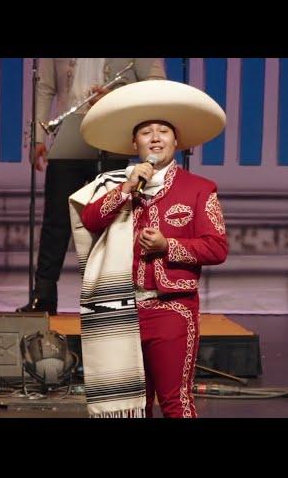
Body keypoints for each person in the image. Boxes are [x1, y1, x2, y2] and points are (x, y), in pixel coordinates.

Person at [69, 80, 229, 418]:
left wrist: (167, 246)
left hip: (172, 309)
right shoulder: (115, 183)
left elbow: (216, 248)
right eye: (146, 132)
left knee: (175, 401)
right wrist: (127, 188)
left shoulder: (199, 189)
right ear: (134, 143)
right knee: (132, 405)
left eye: (163, 131)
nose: (155, 137)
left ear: (176, 141)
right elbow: (91, 219)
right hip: (121, 312)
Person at [16, 58, 166, 315]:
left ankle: (110, 298)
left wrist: (116, 98)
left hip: (112, 132)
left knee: (113, 220)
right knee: (56, 219)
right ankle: (44, 296)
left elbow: (156, 83)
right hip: (70, 130)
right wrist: (37, 137)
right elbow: (44, 88)